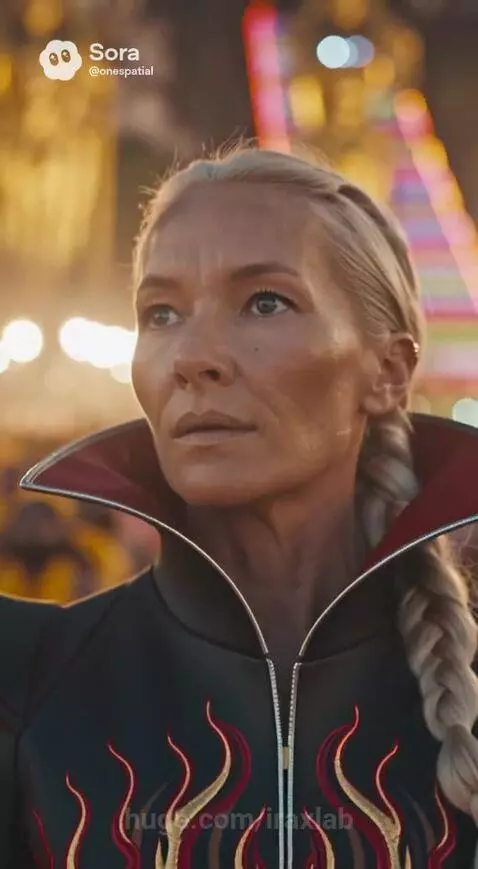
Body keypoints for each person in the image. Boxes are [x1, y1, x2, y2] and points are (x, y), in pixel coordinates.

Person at [1, 145, 478, 869]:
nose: (194, 356)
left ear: (388, 371)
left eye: (264, 302)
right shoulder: (23, 679)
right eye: (161, 312)